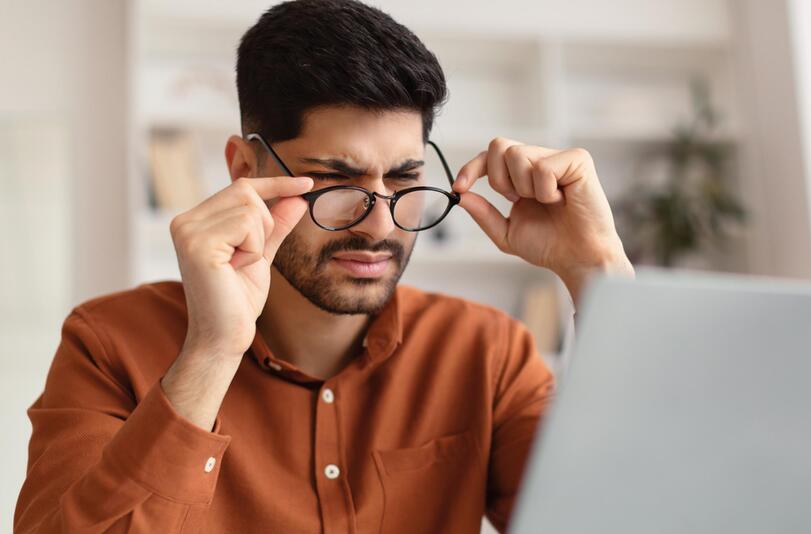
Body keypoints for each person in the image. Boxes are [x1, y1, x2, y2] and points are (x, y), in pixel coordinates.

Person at [14, 1, 634, 532]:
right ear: (244, 171)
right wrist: (210, 352)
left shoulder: (487, 352)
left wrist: (599, 274)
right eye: (337, 180)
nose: (380, 225)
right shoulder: (108, 344)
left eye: (404, 179)